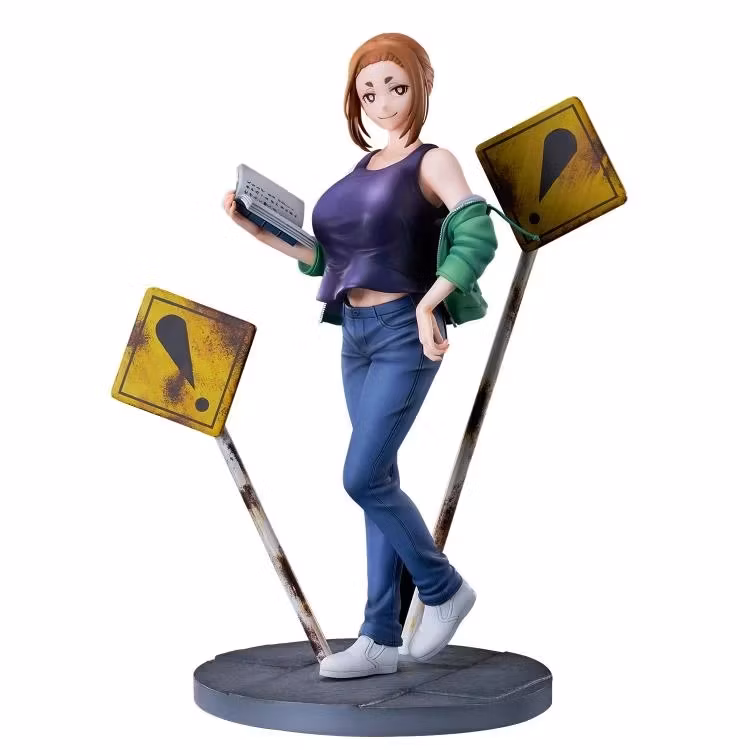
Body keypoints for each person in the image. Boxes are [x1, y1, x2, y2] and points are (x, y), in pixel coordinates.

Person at [223, 32, 498, 679]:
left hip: (404, 331)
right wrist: (258, 229)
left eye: (395, 87)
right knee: (380, 482)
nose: (382, 102)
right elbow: (327, 258)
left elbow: (477, 230)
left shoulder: (433, 161)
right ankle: (378, 638)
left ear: (420, 87)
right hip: (355, 333)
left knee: (362, 478)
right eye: (368, 92)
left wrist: (431, 304)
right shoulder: (361, 169)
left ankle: (444, 589)